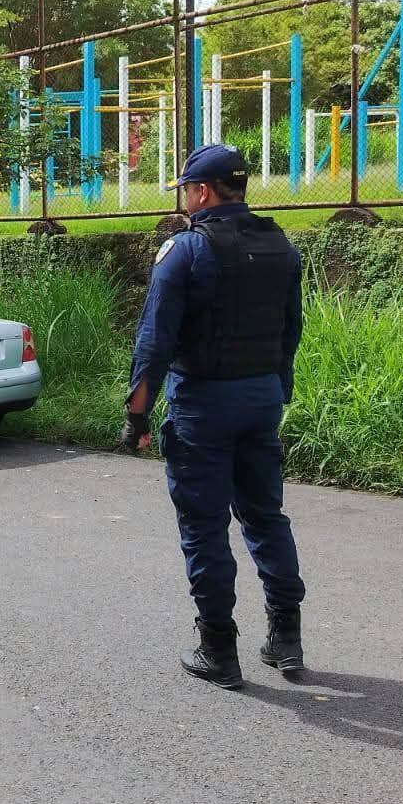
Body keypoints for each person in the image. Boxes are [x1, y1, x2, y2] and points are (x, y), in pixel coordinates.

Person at [123, 143, 305, 690]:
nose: (182, 201)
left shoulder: (184, 251)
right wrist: (277, 392)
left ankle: (218, 652)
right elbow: (290, 332)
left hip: (203, 405)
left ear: (202, 192)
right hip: (262, 399)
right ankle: (286, 639)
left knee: (204, 527)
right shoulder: (282, 246)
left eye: (184, 190)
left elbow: (154, 342)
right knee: (266, 516)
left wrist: (136, 415)